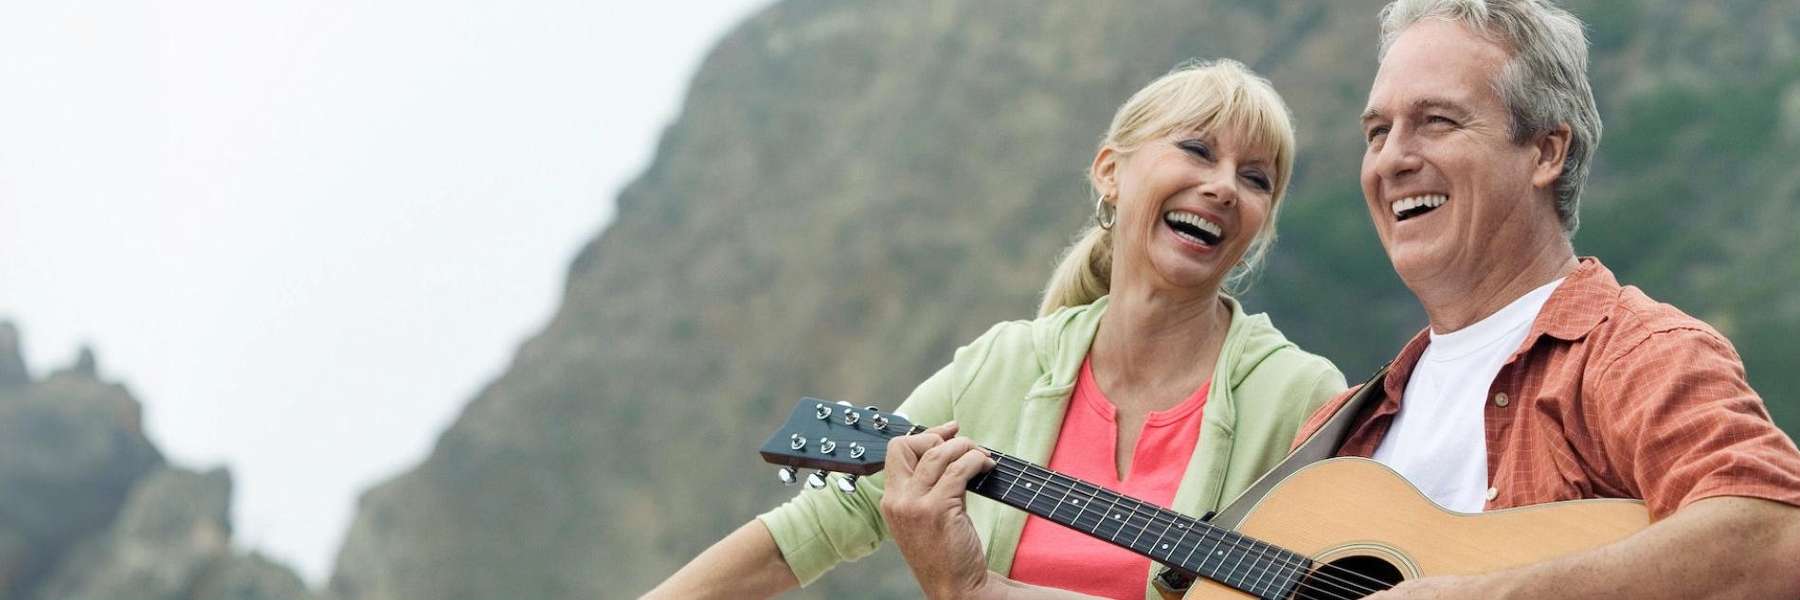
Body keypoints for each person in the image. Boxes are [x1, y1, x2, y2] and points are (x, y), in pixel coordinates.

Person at [641, 59, 1346, 600]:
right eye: (1197, 150)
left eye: (1256, 179)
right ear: (1110, 173)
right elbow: (814, 527)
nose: (1224, 186)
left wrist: (972, 590)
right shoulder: (1002, 367)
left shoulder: (1301, 398)